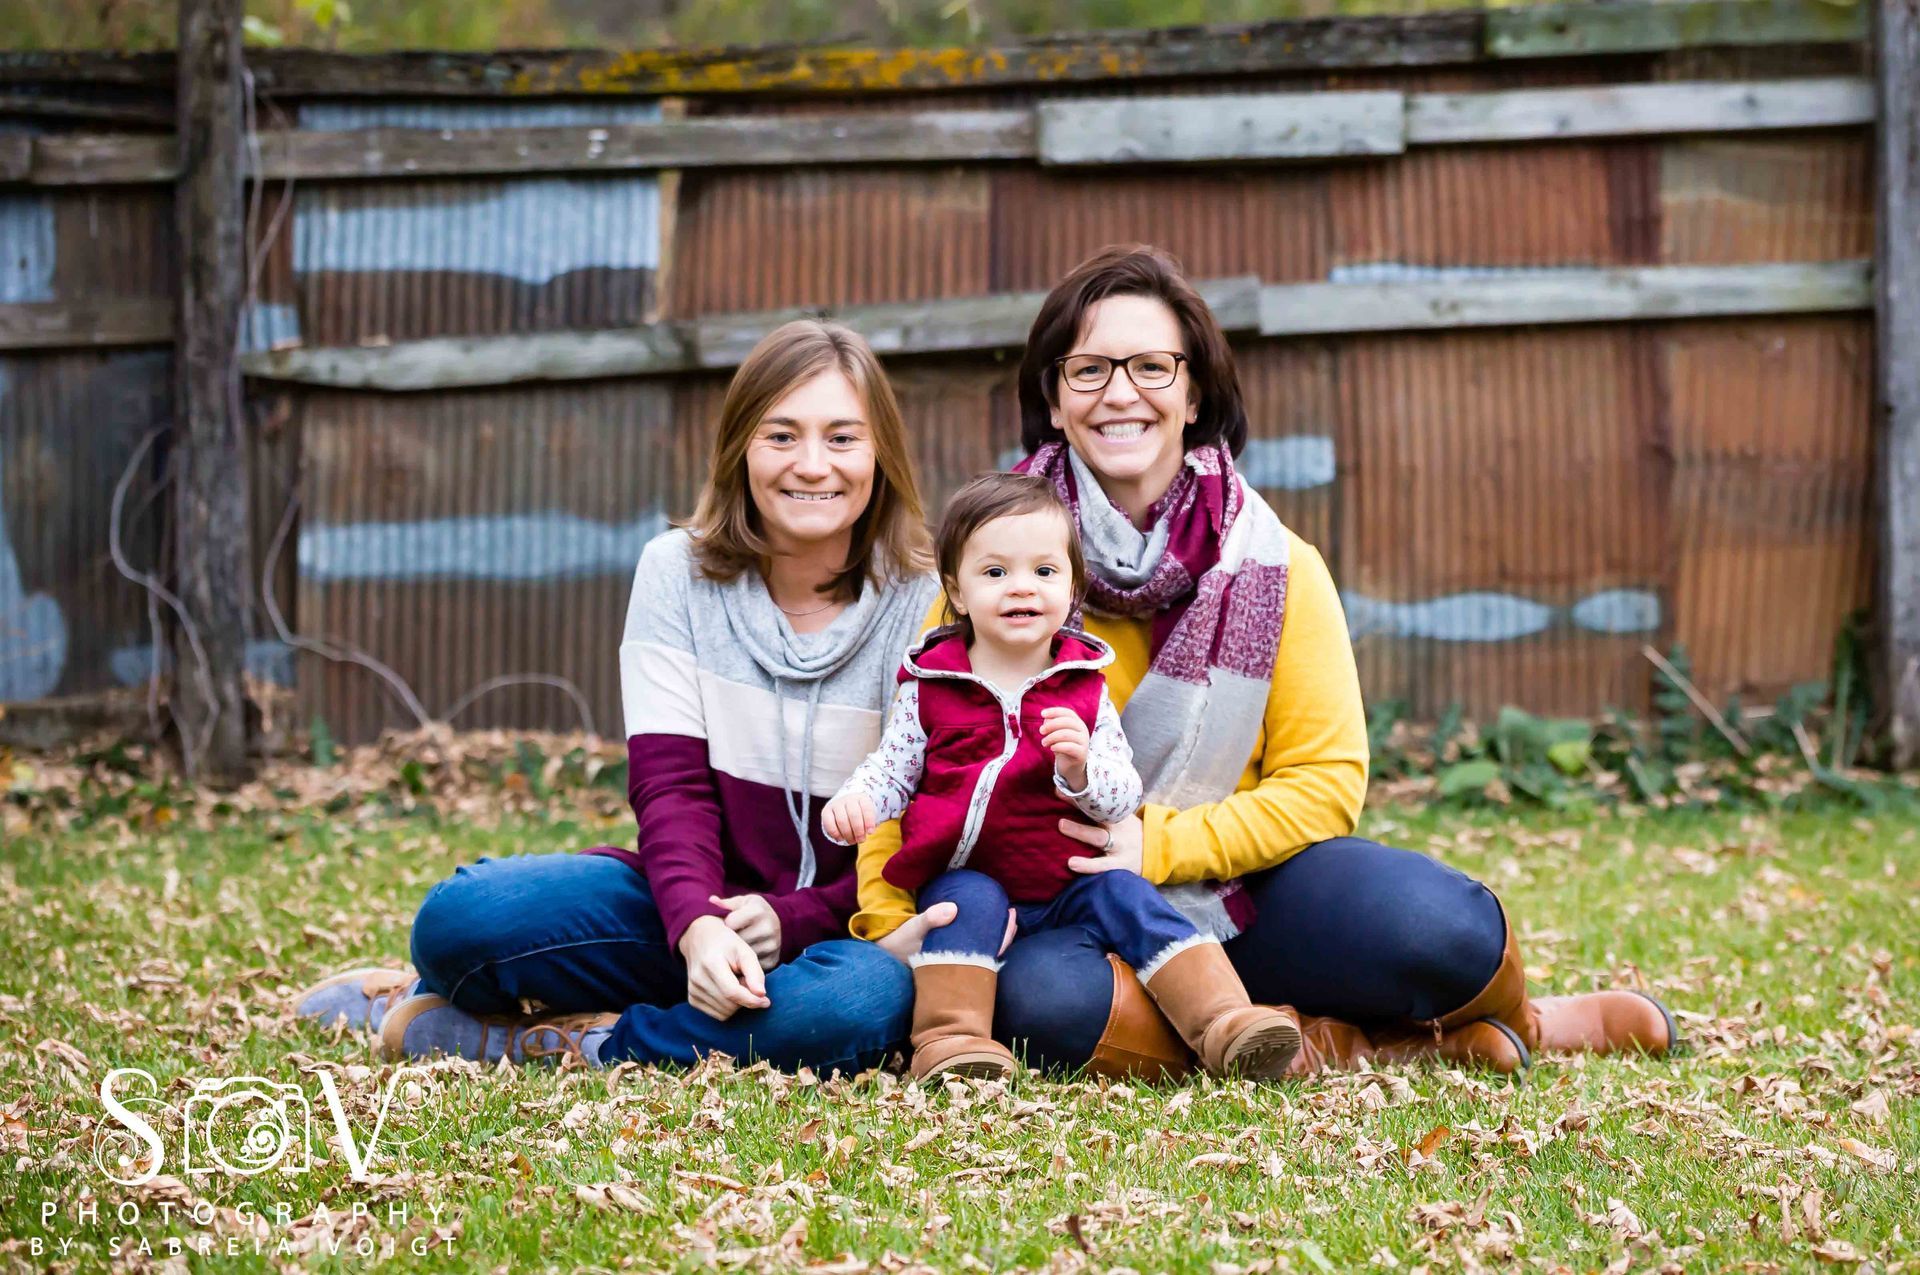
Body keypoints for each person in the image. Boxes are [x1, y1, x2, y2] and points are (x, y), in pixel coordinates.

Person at [851, 245, 1679, 1077]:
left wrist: (1155, 846)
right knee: (1038, 1004)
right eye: (1089, 369)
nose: (1121, 392)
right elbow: (913, 762)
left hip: (1246, 890)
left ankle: (1529, 1022)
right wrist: (884, 912)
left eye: (1151, 365)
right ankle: (1342, 1047)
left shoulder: (1276, 566)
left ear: (1195, 390)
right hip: (1059, 905)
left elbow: (1324, 784)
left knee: (1442, 928)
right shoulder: (992, 567)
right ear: (1055, 399)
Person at [294, 319, 963, 1071]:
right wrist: (697, 928)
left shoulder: (926, 604)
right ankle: (420, 991)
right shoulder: (676, 572)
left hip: (833, 936)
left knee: (859, 1005)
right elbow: (670, 785)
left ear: (881, 454)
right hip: (681, 907)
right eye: (782, 436)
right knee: (463, 919)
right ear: (741, 447)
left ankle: (580, 1042)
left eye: (843, 437)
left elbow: (929, 816)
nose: (812, 465)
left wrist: (796, 917)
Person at [822, 473, 1303, 1082]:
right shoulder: (931, 685)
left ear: (1072, 589)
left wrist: (1080, 770)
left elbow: (1123, 797)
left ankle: (1225, 1022)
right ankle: (950, 1042)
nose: (1021, 587)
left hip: (1069, 879)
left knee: (1132, 898)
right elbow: (892, 769)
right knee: (960, 905)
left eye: (1044, 572)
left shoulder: (1083, 686)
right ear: (957, 592)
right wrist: (859, 801)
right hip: (971, 876)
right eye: (995, 573)